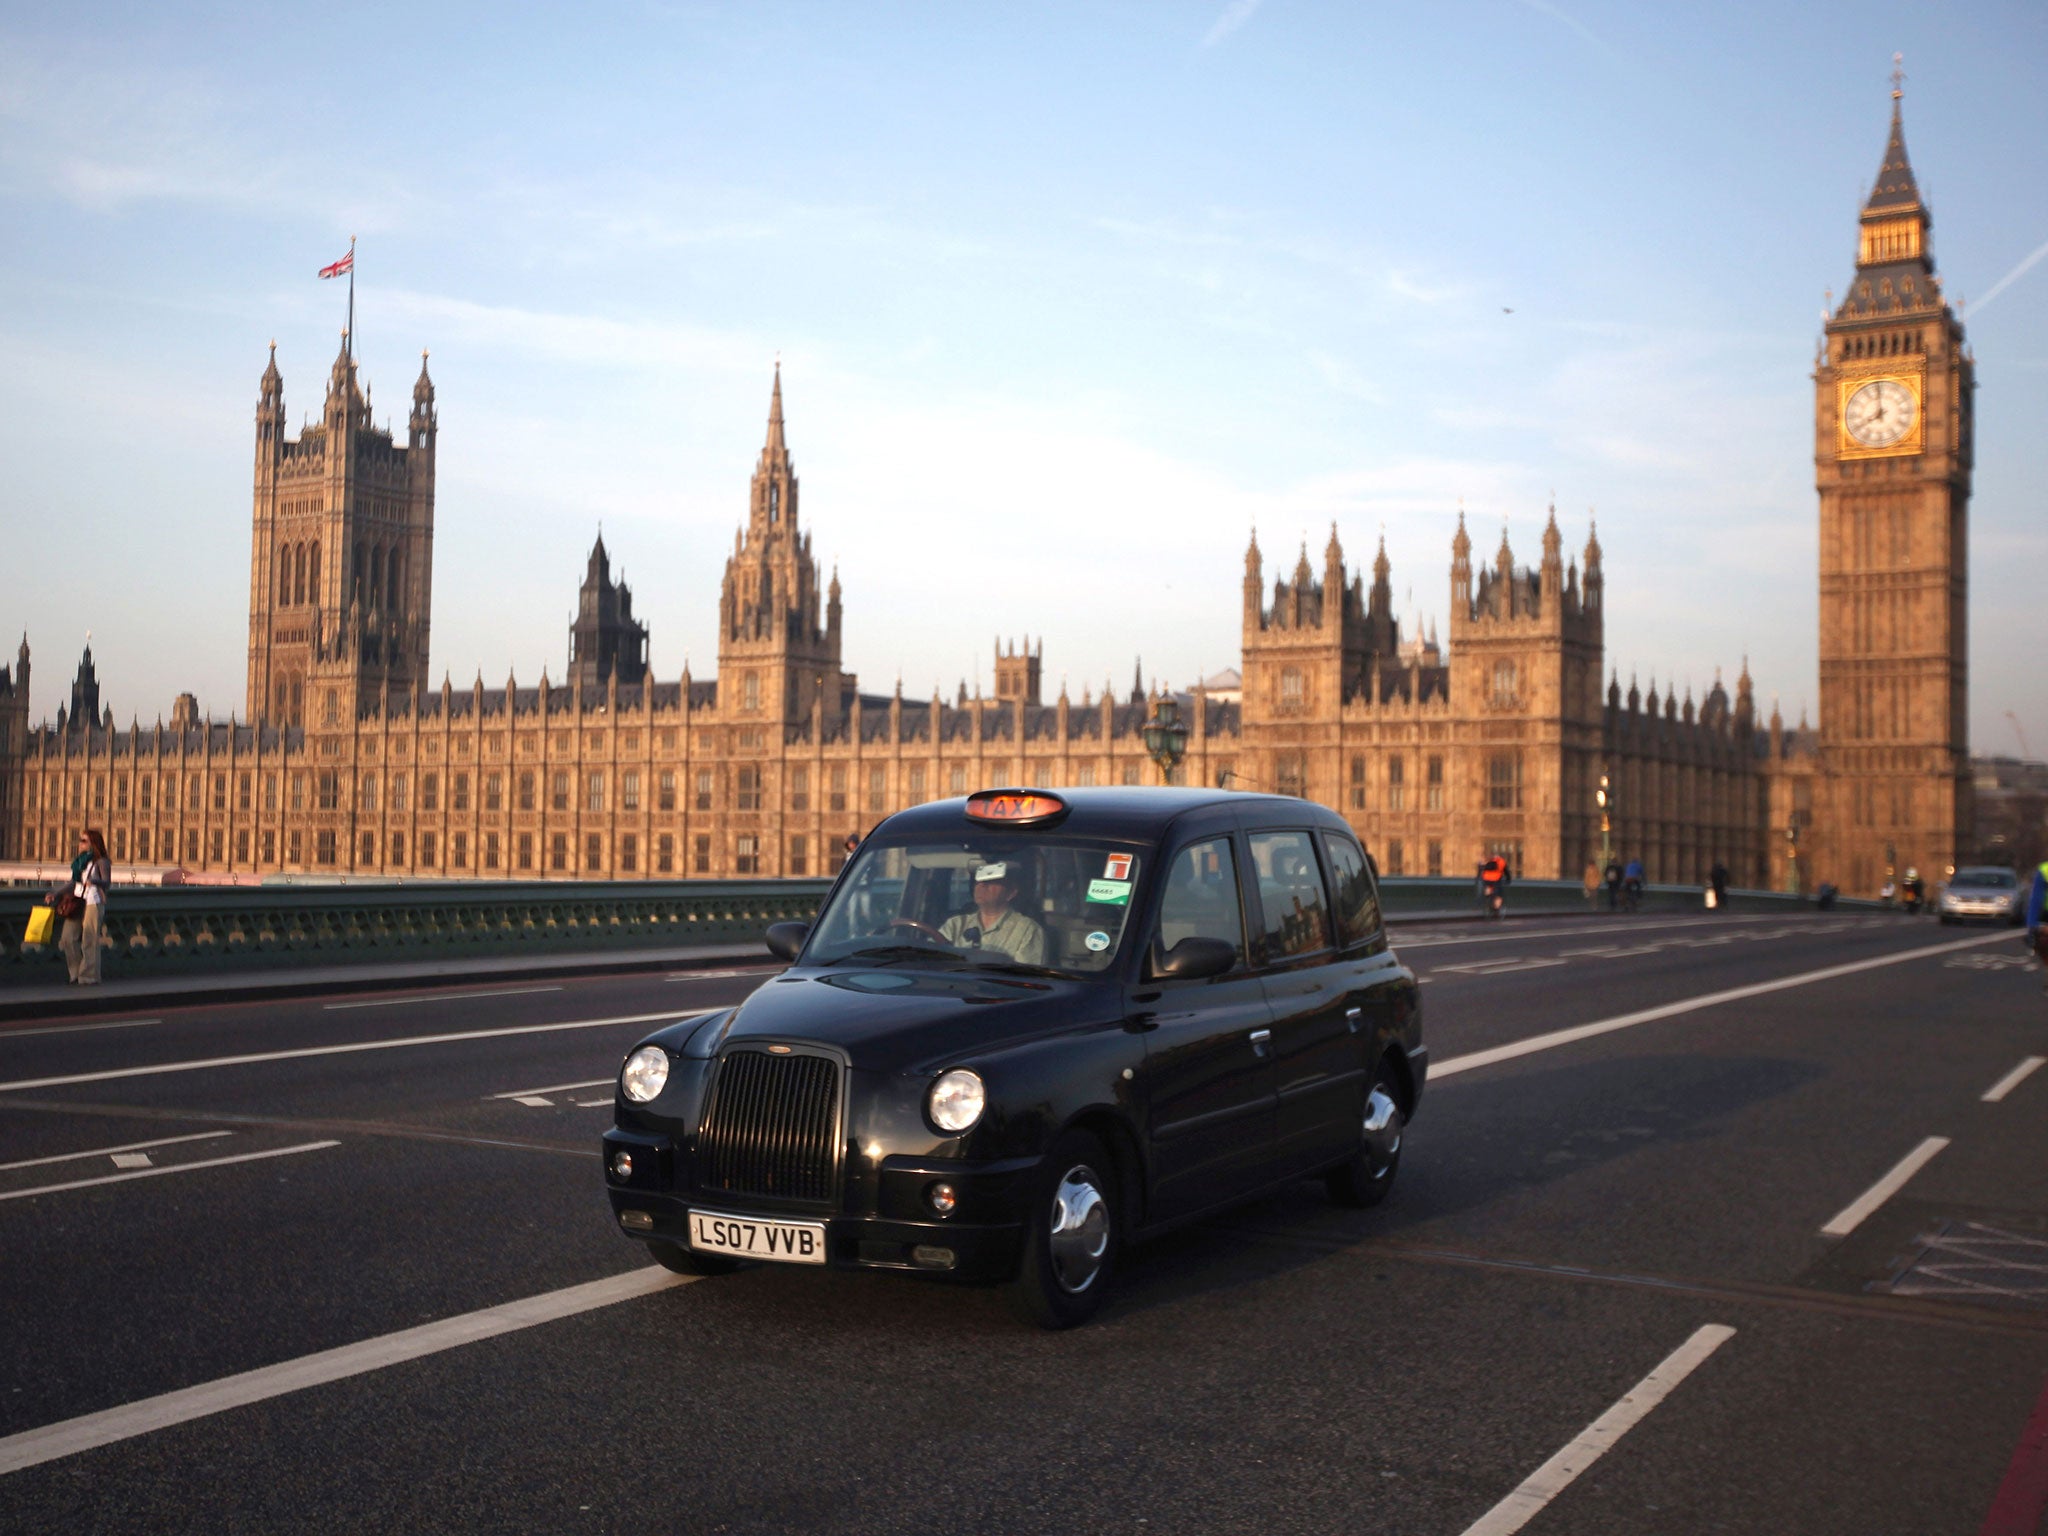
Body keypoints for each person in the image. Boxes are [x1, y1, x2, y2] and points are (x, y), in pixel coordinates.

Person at [939, 860, 1047, 965]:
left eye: (991, 880)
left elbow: (1025, 977)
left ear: (1011, 892)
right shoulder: (954, 925)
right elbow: (933, 960)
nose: (981, 885)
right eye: (978, 879)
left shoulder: (1027, 930)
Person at [52, 828, 112, 985]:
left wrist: (95, 882)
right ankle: (76, 973)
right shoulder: (80, 862)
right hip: (78, 901)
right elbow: (73, 882)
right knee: (67, 938)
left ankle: (88, 977)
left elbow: (107, 882)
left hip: (93, 902)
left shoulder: (102, 861)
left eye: (83, 840)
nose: (80, 843)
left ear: (93, 843)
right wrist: (56, 893)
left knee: (89, 940)